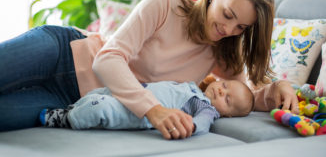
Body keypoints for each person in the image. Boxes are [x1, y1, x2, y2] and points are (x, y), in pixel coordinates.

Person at [0, 0, 299, 139]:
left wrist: (278, 87)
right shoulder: (166, 4)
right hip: (61, 52)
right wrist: (152, 110)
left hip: (69, 99)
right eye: (228, 14)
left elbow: (243, 95)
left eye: (241, 27)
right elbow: (108, 58)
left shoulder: (222, 53)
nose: (228, 28)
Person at [39, 79, 254, 136]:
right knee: (98, 93)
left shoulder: (205, 107)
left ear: (226, 113)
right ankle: (71, 109)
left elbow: (203, 124)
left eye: (227, 100)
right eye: (225, 86)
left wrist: (191, 126)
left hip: (137, 114)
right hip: (134, 94)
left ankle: (66, 119)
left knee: (101, 107)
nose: (221, 92)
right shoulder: (194, 87)